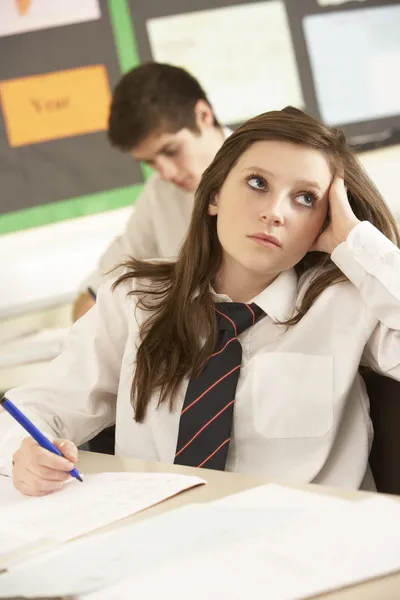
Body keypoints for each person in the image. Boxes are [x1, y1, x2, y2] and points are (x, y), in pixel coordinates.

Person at [2, 106, 400, 496]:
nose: (274, 213)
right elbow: (37, 409)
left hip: (306, 543)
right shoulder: (137, 298)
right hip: (158, 536)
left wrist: (354, 241)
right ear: (214, 196)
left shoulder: (346, 302)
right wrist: (23, 455)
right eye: (258, 183)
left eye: (306, 199)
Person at [73, 62, 230, 321]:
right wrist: (87, 316)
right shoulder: (159, 193)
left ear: (204, 115)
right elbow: (109, 277)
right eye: (151, 162)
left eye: (171, 150)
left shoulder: (274, 173)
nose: (165, 172)